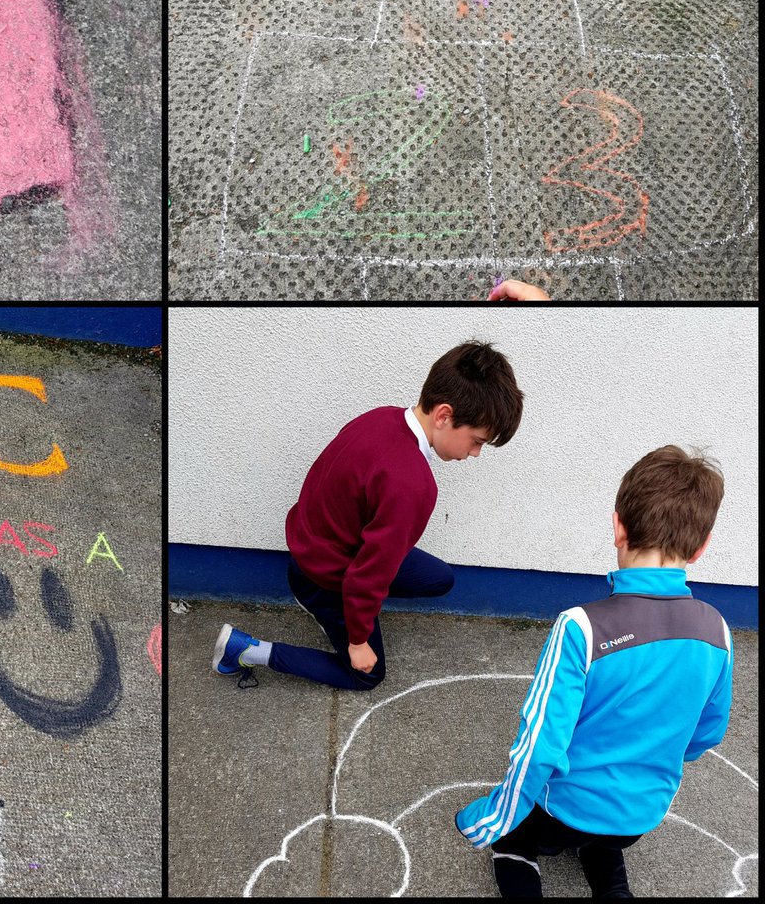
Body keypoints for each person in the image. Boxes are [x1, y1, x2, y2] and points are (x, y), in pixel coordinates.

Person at [455, 445, 730, 899]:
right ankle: (607, 868)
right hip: (640, 817)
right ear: (700, 548)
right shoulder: (717, 630)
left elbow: (539, 747)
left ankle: (532, 848)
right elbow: (706, 735)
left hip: (564, 812)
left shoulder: (581, 627)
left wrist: (491, 816)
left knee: (516, 842)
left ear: (618, 525)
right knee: (605, 842)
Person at [212, 340, 523, 689]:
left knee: (439, 579)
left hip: (320, 545)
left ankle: (347, 615)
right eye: (477, 440)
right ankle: (245, 649)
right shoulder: (412, 485)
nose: (476, 453)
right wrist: (358, 640)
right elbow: (369, 574)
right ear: (444, 416)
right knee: (366, 676)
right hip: (321, 576)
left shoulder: (382, 418)